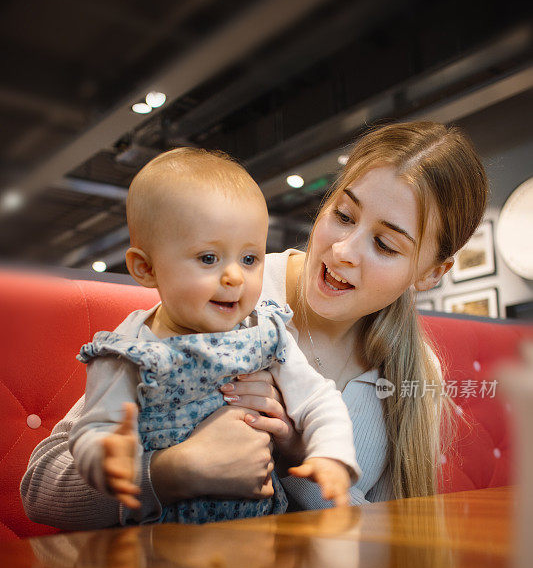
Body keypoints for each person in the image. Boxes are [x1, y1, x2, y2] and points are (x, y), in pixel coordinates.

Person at [21, 121, 488, 530]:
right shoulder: (224, 296)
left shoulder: (415, 368)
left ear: (431, 273)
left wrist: (298, 460)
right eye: (342, 215)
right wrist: (171, 472)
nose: (344, 249)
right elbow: (43, 487)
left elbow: (388, 536)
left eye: (385, 244)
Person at [66, 148, 358, 524]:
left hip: (257, 536)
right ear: (146, 268)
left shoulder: (265, 334)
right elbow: (94, 430)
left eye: (250, 259)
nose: (235, 277)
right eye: (208, 258)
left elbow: (319, 399)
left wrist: (330, 454)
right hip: (160, 549)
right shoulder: (129, 352)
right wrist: (111, 462)